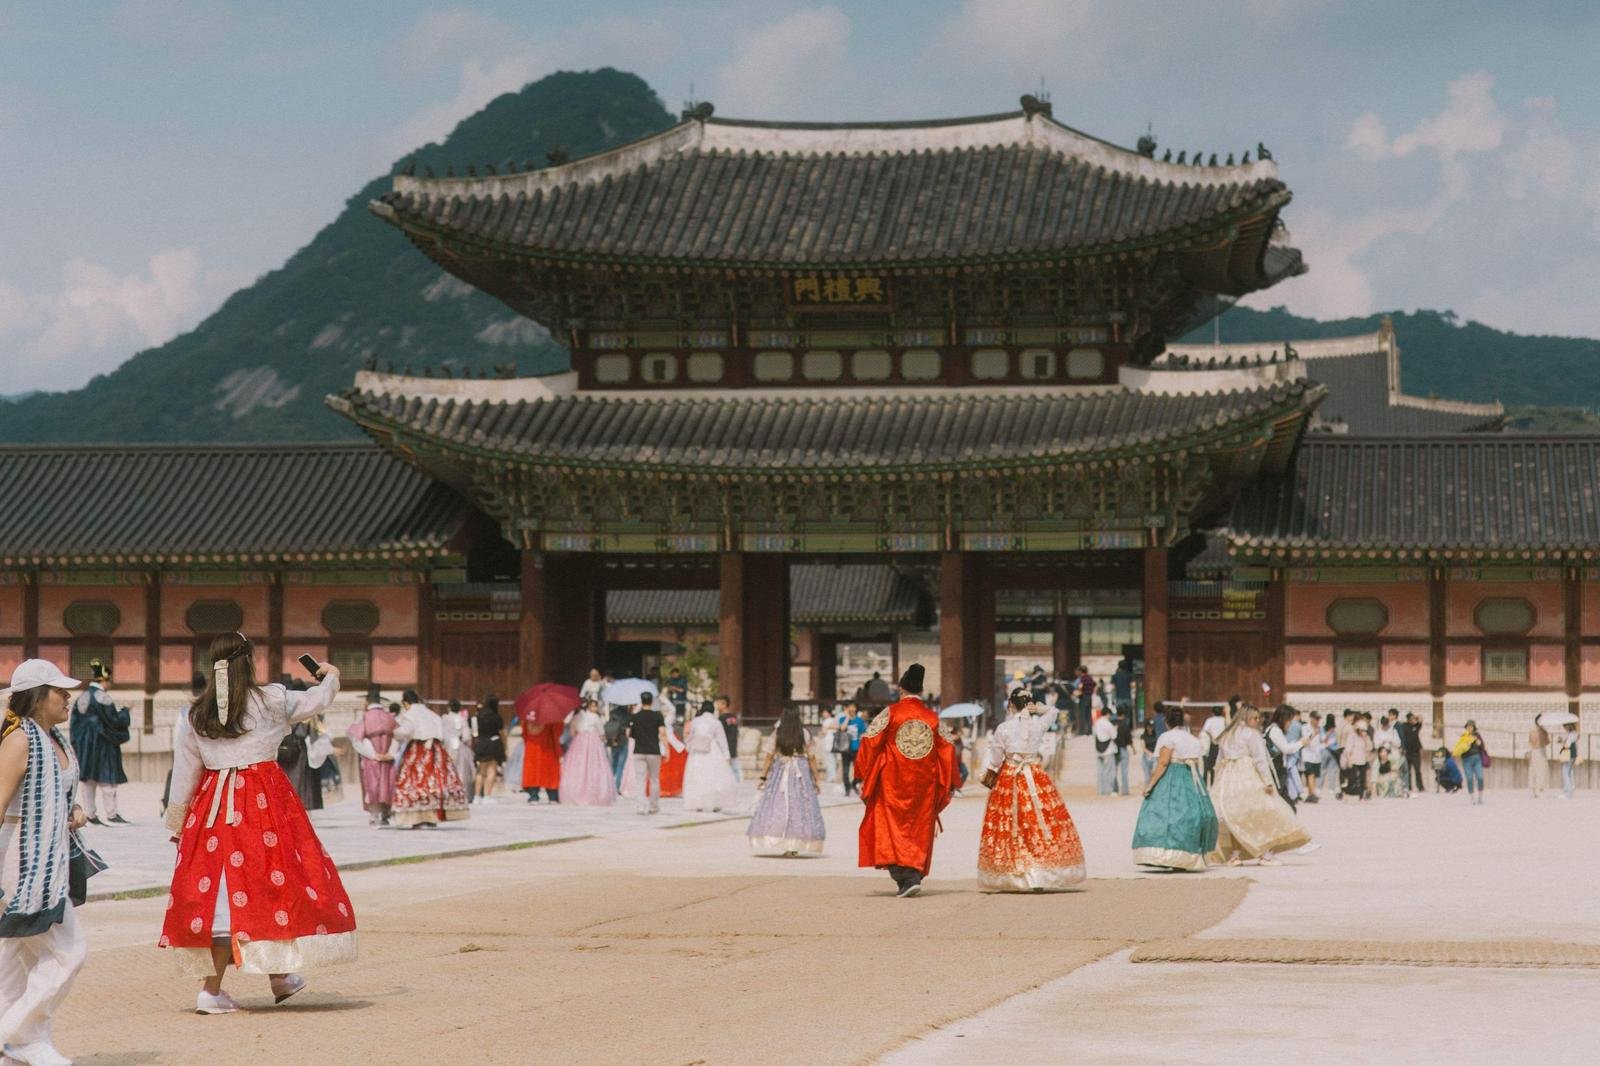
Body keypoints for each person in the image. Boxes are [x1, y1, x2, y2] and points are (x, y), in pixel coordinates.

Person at [161, 634, 356, 1015]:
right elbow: (318, 700)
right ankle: (260, 979)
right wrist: (331, 676)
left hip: (215, 807)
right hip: (263, 804)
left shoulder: (195, 714)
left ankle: (242, 983)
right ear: (249, 661)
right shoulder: (271, 700)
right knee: (273, 882)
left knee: (221, 891)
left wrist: (179, 823)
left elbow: (185, 772)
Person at [0, 659, 89, 1066]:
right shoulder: (20, 741)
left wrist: (73, 812)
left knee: (13, 963)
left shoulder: (56, 741)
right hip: (22, 864)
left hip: (51, 858)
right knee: (68, 951)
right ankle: (17, 1036)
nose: (67, 697)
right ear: (37, 698)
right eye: (58, 691)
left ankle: (16, 1047)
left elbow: (57, 794)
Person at [853, 664, 959, 898]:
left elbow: (869, 741)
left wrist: (862, 772)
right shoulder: (933, 718)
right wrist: (949, 782)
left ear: (901, 689)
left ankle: (906, 876)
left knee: (890, 826)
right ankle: (913, 872)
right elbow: (948, 749)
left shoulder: (890, 713)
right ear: (920, 690)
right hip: (924, 783)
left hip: (892, 782)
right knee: (919, 827)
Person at [977, 689, 1086, 892]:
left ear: (1011, 705)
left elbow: (995, 759)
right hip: (1035, 776)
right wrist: (1038, 709)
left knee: (1011, 823)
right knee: (1038, 821)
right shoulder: (1037, 725)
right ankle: (1040, 872)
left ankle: (1014, 874)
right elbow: (1053, 712)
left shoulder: (1004, 728)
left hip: (1010, 776)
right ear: (1028, 704)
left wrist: (990, 771)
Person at [1208, 703, 1310, 867]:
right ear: (1247, 718)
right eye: (1255, 718)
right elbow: (1260, 760)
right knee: (1262, 812)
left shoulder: (1227, 734)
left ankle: (1235, 855)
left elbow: (1219, 761)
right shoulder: (1251, 734)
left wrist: (1217, 781)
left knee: (1234, 816)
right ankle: (1264, 854)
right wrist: (1268, 781)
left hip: (1228, 778)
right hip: (1247, 776)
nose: (1258, 721)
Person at [1132, 707, 1218, 871]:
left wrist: (1150, 785)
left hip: (1172, 776)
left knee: (1163, 814)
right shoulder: (1192, 739)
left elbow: (1163, 763)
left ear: (1167, 722)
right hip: (1191, 777)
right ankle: (1187, 855)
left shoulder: (1167, 737)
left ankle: (1165, 854)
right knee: (1189, 815)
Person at [747, 707, 825, 856]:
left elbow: (769, 756)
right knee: (801, 806)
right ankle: (795, 844)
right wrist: (816, 778)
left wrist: (763, 777)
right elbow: (812, 757)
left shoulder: (778, 733)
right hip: (800, 772)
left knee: (777, 804)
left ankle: (778, 838)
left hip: (781, 770)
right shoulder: (805, 733)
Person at [390, 689, 470, 828]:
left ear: (406, 703)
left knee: (416, 782)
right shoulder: (432, 714)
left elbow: (406, 731)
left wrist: (393, 732)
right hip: (436, 750)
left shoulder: (410, 715)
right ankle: (433, 816)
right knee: (436, 782)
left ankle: (418, 817)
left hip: (418, 749)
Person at [69, 659, 130, 827]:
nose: (110, 684)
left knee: (88, 779)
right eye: (109, 680)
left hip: (85, 745)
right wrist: (125, 713)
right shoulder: (103, 698)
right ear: (104, 680)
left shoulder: (83, 697)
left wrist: (78, 743)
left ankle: (90, 814)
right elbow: (114, 720)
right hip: (103, 743)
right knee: (107, 778)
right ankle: (112, 813)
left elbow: (75, 723)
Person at [346, 691, 397, 826]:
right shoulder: (390, 717)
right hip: (387, 757)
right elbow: (398, 737)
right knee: (386, 784)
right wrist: (391, 753)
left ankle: (375, 815)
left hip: (372, 757)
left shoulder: (365, 717)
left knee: (372, 785)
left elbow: (356, 739)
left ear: (367, 702)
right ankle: (385, 814)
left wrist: (372, 754)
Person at [682, 701, 738, 812]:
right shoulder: (716, 722)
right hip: (712, 751)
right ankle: (714, 802)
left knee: (697, 777)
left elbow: (691, 736)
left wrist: (688, 747)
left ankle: (697, 803)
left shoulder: (695, 721)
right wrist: (726, 755)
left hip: (697, 752)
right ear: (713, 710)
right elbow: (722, 740)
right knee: (713, 777)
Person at [559, 699, 615, 807]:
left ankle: (576, 792)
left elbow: (572, 733)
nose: (595, 708)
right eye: (593, 706)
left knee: (577, 766)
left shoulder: (576, 717)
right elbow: (601, 731)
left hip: (578, 743)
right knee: (594, 766)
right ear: (588, 706)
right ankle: (594, 793)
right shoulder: (595, 717)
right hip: (593, 742)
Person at [628, 694, 668, 815]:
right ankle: (653, 806)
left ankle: (640, 807)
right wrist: (666, 749)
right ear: (651, 701)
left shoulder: (635, 717)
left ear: (641, 701)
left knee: (640, 780)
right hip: (653, 751)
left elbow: (629, 733)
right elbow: (662, 733)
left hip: (639, 751)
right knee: (654, 779)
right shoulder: (657, 715)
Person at [519, 699, 562, 804]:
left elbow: (524, 733)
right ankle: (552, 797)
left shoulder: (527, 715)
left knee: (533, 772)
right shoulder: (551, 715)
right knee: (550, 772)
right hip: (547, 747)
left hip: (531, 747)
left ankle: (533, 796)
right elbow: (557, 731)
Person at [471, 695, 506, 802]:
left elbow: (474, 732)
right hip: (493, 744)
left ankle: (477, 796)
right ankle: (487, 796)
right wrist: (504, 745)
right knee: (491, 770)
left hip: (481, 744)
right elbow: (501, 732)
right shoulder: (496, 717)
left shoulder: (478, 716)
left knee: (481, 771)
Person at [1453, 720, 1487, 805]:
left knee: (1480, 778)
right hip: (1466, 760)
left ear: (1474, 727)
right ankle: (1472, 798)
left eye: (1471, 726)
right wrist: (1466, 744)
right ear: (1466, 727)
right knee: (1469, 778)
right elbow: (1459, 748)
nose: (1469, 728)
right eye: (1468, 726)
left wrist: (1479, 744)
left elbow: (1483, 747)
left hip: (1477, 759)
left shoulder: (1477, 735)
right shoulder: (1463, 736)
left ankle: (1480, 797)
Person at [1341, 717, 1373, 800]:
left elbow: (1370, 748)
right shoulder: (1352, 736)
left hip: (1363, 760)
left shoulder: (1366, 737)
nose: (1364, 732)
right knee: (1352, 778)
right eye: (1362, 730)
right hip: (1354, 760)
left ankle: (1361, 795)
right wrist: (1349, 760)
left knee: (1363, 779)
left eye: (1365, 730)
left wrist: (1366, 739)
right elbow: (1348, 749)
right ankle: (1346, 793)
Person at [604, 702, 631, 792]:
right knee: (621, 765)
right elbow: (628, 732)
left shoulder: (612, 713)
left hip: (613, 740)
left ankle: (609, 785)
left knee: (613, 763)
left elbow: (610, 727)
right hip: (623, 740)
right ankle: (616, 787)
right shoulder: (628, 715)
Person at [1092, 708, 1117, 796]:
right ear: (1108, 714)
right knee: (1109, 771)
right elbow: (1114, 736)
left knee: (1100, 771)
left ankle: (1101, 791)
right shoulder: (1108, 724)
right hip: (1108, 749)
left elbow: (1095, 734)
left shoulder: (1097, 723)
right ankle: (1108, 790)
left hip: (1098, 749)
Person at [1201, 704, 1228, 784]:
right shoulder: (1224, 720)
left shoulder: (1209, 720)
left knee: (1208, 764)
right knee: (1216, 764)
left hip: (1211, 743)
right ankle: (1214, 782)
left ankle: (1205, 782)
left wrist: (1212, 738)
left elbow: (1206, 730)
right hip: (1220, 744)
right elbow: (1226, 730)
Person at [716, 696, 741, 781]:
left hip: (725, 748)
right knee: (735, 770)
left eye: (718, 704)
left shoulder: (721, 718)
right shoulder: (733, 717)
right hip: (733, 746)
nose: (717, 706)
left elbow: (720, 734)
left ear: (724, 704)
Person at [1401, 712, 1426, 793]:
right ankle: (1408, 786)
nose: (1413, 720)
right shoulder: (1404, 726)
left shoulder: (1416, 726)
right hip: (1407, 752)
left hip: (1415, 752)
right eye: (1411, 719)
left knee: (1417, 770)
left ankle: (1420, 787)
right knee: (1407, 770)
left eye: (1413, 719)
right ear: (1408, 720)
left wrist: (1416, 717)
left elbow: (1421, 718)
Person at [1527, 715, 1550, 798]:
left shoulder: (1532, 731)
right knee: (1542, 770)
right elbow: (1547, 742)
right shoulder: (1543, 731)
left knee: (1533, 770)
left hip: (1534, 751)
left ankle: (1533, 789)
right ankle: (1540, 789)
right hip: (1541, 751)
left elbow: (1530, 741)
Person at [1113, 707, 1134, 796]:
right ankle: (1125, 790)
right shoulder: (1125, 724)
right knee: (1124, 771)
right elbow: (1128, 739)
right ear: (1124, 714)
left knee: (1114, 770)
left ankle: (1114, 789)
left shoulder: (1114, 724)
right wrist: (1133, 748)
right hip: (1123, 748)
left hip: (1114, 749)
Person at [1138, 709, 1162, 787]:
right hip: (1146, 758)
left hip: (1155, 757)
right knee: (1147, 776)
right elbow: (1143, 747)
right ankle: (1147, 789)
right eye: (1149, 726)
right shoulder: (1143, 736)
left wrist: (1156, 754)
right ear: (1146, 727)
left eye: (1152, 726)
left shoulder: (1156, 735)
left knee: (1154, 775)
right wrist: (1150, 753)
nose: (1150, 728)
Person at [1557, 721, 1579, 798]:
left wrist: (1562, 742)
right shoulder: (1574, 733)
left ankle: (1568, 791)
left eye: (1565, 726)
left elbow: (1567, 744)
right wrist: (1562, 740)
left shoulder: (1572, 734)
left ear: (1568, 726)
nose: (1564, 728)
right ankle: (1570, 789)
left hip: (1569, 754)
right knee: (1569, 772)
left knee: (1565, 772)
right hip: (1572, 754)